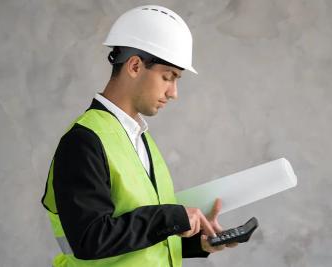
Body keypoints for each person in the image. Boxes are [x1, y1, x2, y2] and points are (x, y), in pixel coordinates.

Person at [41, 5, 236, 267]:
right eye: (168, 77)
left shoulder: (139, 139)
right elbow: (89, 238)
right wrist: (171, 218)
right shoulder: (84, 141)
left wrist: (195, 241)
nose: (173, 92)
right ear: (134, 65)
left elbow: (135, 240)